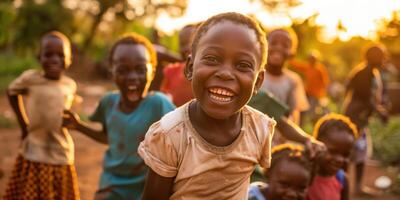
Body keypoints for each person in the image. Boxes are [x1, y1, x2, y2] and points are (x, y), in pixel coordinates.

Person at [138, 12, 275, 199]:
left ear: (258, 81)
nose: (226, 73)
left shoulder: (259, 129)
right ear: (190, 68)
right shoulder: (169, 134)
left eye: (243, 65)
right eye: (212, 59)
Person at [63, 33, 175, 199]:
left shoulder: (158, 104)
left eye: (140, 70)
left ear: (152, 72)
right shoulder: (108, 102)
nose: (132, 78)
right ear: (112, 71)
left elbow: (180, 137)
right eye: (123, 70)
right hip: (112, 183)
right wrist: (79, 126)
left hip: (146, 186)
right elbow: (108, 138)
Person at [3, 31, 80, 199]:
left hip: (61, 150)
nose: (54, 59)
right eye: (48, 54)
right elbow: (11, 92)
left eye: (61, 55)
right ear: (39, 57)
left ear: (69, 60)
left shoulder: (70, 85)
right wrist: (24, 125)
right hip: (35, 149)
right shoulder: (31, 79)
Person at [342, 43, 388, 195]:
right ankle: (347, 188)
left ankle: (354, 187)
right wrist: (380, 112)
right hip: (355, 119)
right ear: (373, 57)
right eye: (381, 55)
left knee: (359, 153)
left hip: (359, 119)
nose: (384, 58)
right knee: (350, 153)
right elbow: (365, 98)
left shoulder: (370, 72)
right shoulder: (365, 73)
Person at [259, 28, 309, 145]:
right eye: (274, 43)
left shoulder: (293, 80)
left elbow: (294, 116)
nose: (279, 48)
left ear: (292, 52)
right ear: (264, 46)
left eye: (285, 45)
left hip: (278, 141)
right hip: (254, 137)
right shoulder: (255, 74)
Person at [307, 114, 359, 200]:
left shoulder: (342, 180)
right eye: (333, 152)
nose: (340, 159)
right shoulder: (305, 176)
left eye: (345, 155)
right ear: (317, 145)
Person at [248, 143, 312, 200]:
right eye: (284, 185)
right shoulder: (247, 196)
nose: (292, 194)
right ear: (268, 175)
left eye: (301, 189)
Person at [160, 23, 199, 106]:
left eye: (191, 44)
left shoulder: (207, 75)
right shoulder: (171, 71)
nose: (187, 49)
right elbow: (163, 101)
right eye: (183, 44)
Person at [289, 50, 330, 121]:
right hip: (307, 92)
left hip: (315, 94)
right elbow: (297, 65)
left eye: (313, 59)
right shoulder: (308, 67)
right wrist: (290, 59)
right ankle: (302, 122)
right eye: (310, 58)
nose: (311, 60)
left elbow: (325, 82)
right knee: (303, 109)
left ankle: (315, 123)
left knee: (312, 112)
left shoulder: (320, 69)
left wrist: (322, 94)